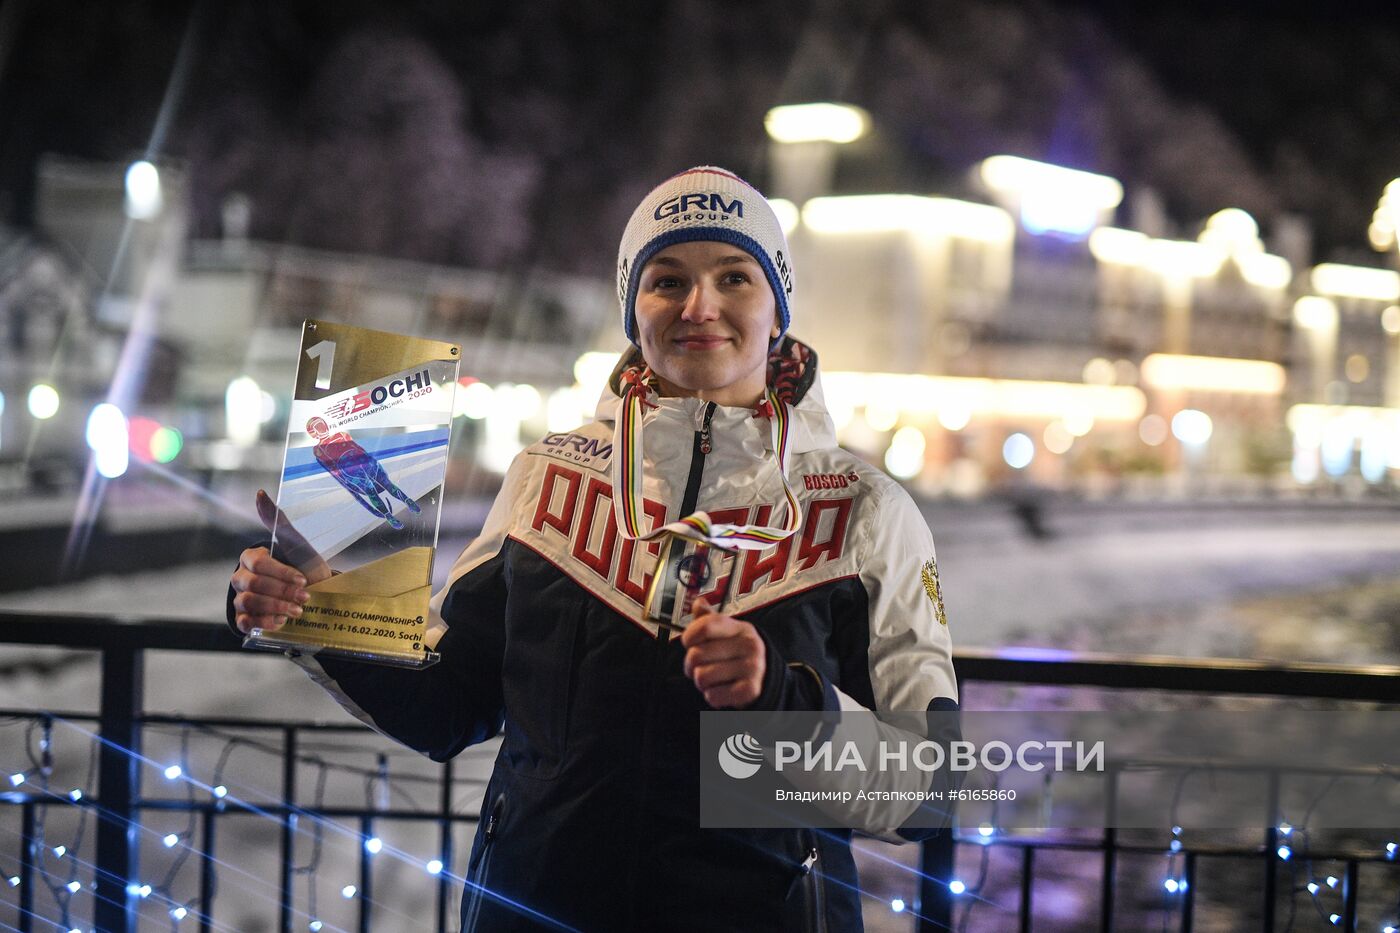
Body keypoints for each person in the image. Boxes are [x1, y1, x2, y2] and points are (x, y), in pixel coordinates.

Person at [229, 166, 958, 932]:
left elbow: (931, 791)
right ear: (631, 311)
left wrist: (777, 701)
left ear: (777, 308)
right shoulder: (544, 477)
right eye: (666, 279)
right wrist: (318, 607)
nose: (699, 306)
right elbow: (450, 704)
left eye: (734, 277)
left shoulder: (865, 512)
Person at [305, 415, 422, 529]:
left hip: (364, 460)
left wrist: (370, 459)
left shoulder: (342, 434)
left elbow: (357, 447)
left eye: (322, 425)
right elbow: (331, 468)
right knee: (371, 490)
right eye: (319, 427)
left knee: (386, 483)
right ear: (313, 432)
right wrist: (346, 480)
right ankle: (389, 516)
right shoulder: (318, 449)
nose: (323, 428)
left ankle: (408, 502)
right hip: (349, 469)